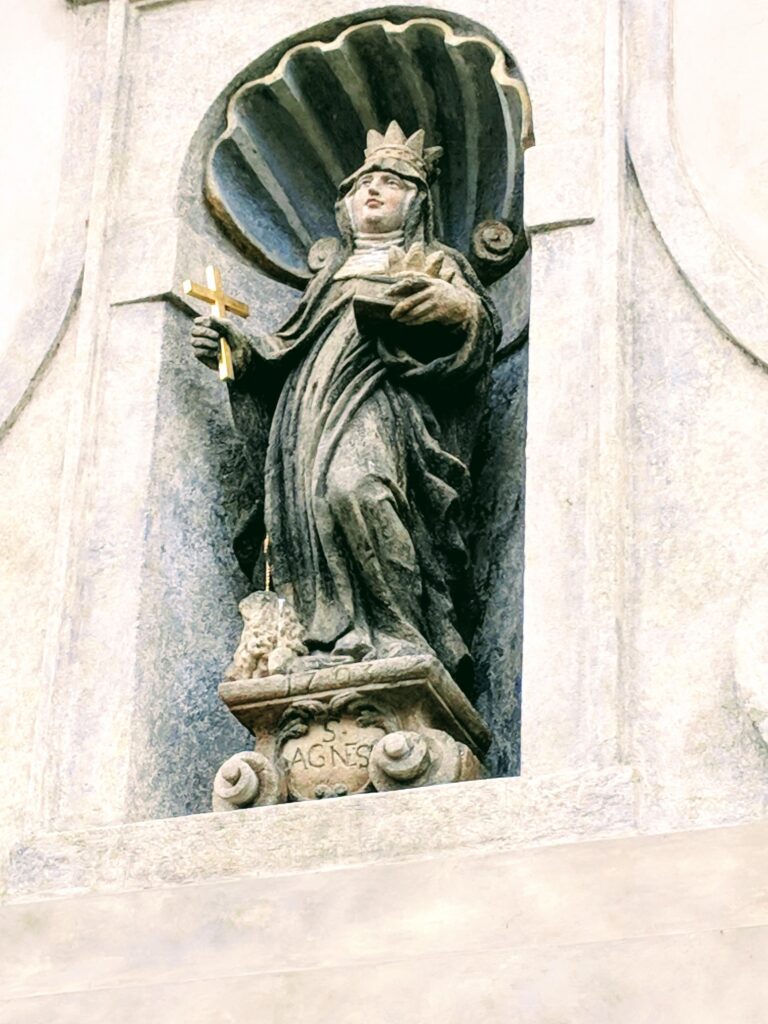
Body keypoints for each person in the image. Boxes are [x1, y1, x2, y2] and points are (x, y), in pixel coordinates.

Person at [190, 123, 501, 692]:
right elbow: (283, 354)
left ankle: (402, 632)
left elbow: (480, 329)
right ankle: (324, 639)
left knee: (358, 490)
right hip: (305, 417)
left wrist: (453, 307)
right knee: (312, 512)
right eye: (363, 186)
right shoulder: (330, 277)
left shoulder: (433, 261)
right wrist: (237, 353)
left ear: (417, 201)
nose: (373, 193)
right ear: (345, 206)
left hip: (381, 403)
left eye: (390, 183)